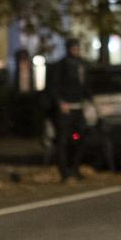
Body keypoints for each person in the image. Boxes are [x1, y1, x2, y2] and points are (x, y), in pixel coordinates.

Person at [45, 38, 90, 181]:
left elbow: (86, 86)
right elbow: (54, 86)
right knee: (62, 140)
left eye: (77, 48)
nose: (76, 51)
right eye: (73, 48)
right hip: (65, 109)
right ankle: (64, 172)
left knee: (81, 138)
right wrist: (60, 102)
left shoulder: (82, 65)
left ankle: (75, 168)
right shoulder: (61, 65)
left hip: (79, 107)